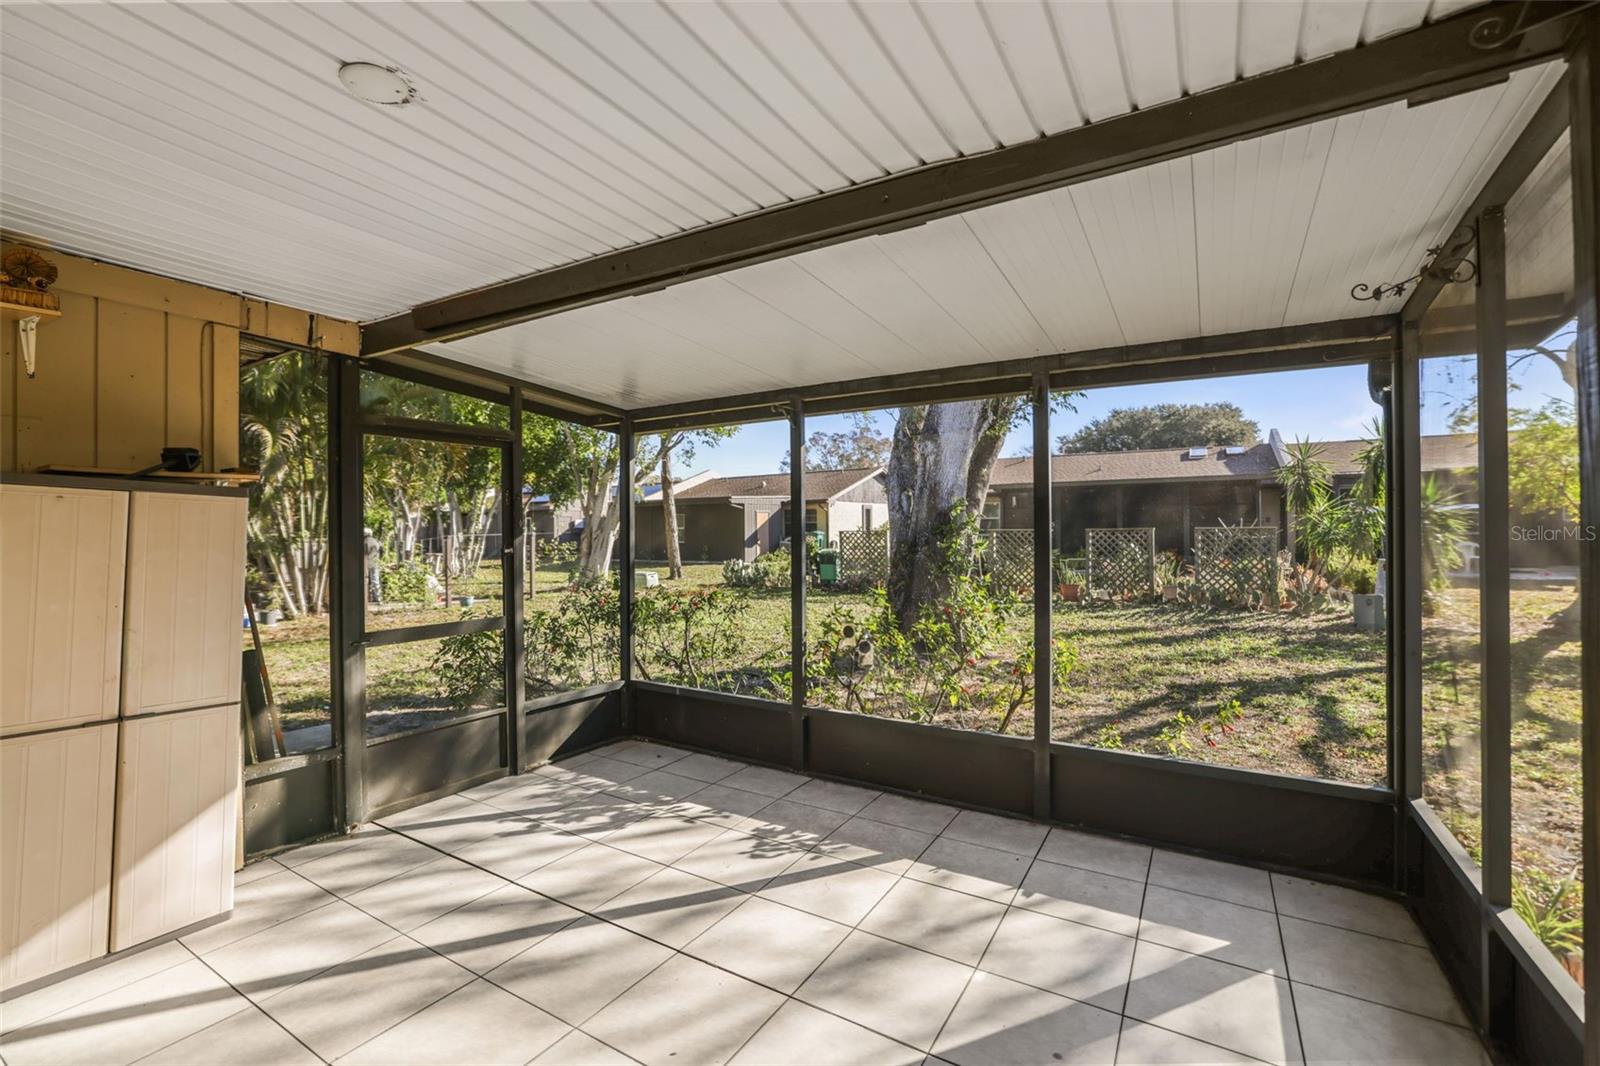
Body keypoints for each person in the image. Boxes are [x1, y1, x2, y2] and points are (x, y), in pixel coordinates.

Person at [363, 527, 382, 604]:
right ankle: (378, 598)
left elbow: (364, 552)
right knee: (375, 581)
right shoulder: (376, 541)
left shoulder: (365, 541)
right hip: (375, 562)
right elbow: (381, 552)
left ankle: (366, 598)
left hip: (366, 563)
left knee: (365, 580)